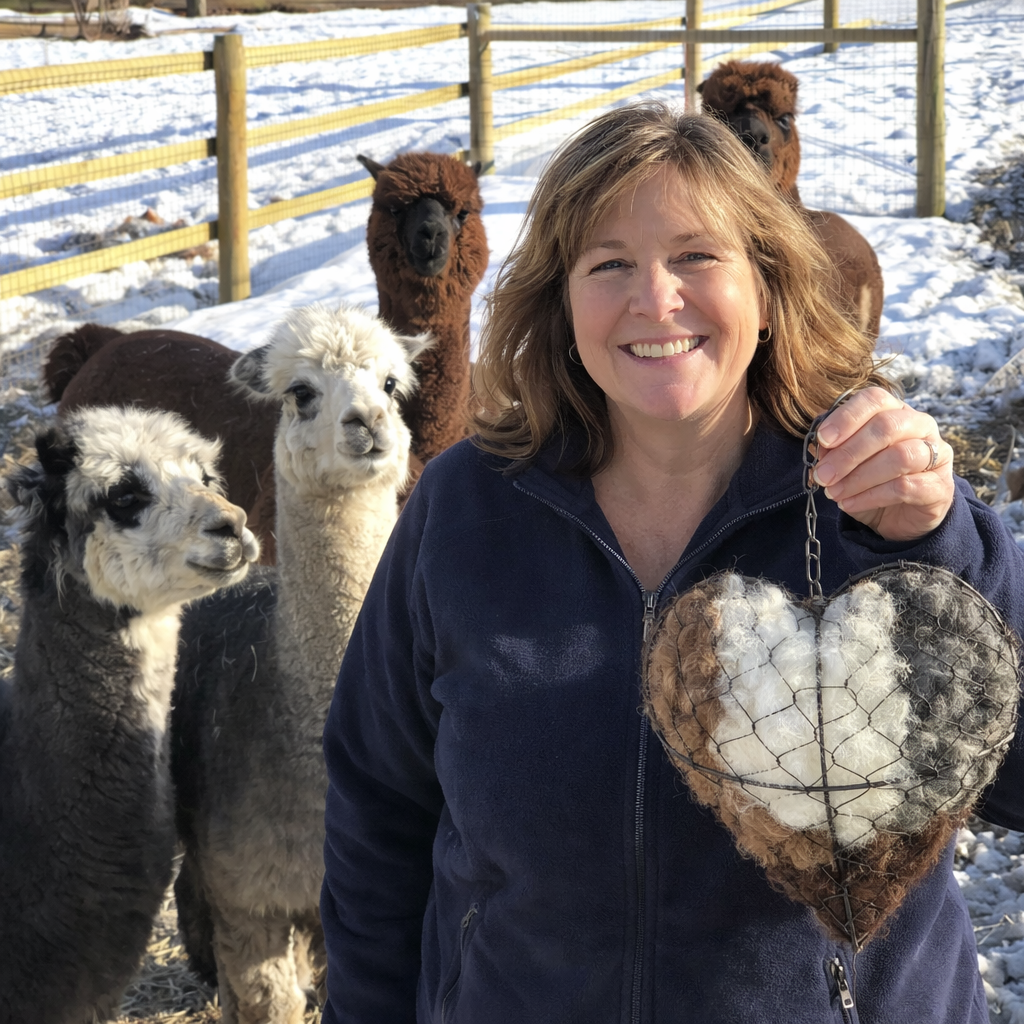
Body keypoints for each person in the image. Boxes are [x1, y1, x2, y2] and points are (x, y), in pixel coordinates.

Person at [320, 102, 1024, 1024]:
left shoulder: (875, 497)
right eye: (609, 264)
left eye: (696, 255)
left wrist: (937, 548)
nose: (655, 300)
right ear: (562, 300)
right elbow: (377, 812)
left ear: (766, 286)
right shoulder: (466, 509)